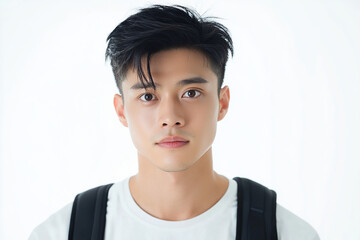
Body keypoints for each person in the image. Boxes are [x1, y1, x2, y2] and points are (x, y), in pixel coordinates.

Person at [29, 4, 320, 240]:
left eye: (191, 93)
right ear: (121, 110)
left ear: (222, 102)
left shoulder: (286, 233)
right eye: (147, 96)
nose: (171, 117)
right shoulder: (62, 232)